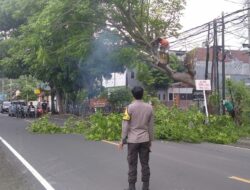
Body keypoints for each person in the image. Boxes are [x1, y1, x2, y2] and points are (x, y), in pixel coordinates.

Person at [118, 86, 154, 190]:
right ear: (142, 94)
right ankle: (145, 186)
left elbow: (125, 125)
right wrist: (150, 140)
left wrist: (122, 140)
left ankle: (131, 187)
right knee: (145, 163)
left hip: (133, 141)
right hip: (145, 139)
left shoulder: (129, 108)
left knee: (132, 164)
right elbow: (151, 126)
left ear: (133, 95)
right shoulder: (149, 107)